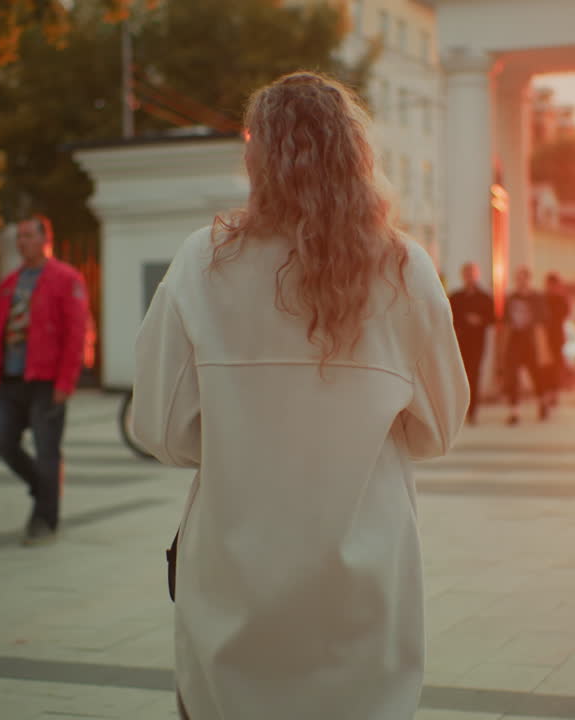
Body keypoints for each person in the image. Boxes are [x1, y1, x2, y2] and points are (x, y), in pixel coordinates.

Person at [131, 71, 468, 720]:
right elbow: (440, 427)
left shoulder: (203, 262)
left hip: (232, 593)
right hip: (365, 593)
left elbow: (160, 428)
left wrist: (237, 433)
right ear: (357, 155)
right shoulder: (404, 269)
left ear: (257, 157)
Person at [0, 214, 90, 546]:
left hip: (46, 380)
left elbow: (76, 334)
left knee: (47, 450)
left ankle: (45, 518)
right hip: (10, 379)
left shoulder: (66, 278)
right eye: (19, 237)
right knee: (0, 438)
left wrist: (66, 382)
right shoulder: (10, 282)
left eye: (28, 236)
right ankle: (42, 488)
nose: (22, 242)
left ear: (46, 239)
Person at [501, 266, 550, 425]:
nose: (521, 282)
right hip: (515, 340)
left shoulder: (537, 298)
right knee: (513, 376)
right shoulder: (511, 298)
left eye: (523, 279)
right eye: (518, 279)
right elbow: (505, 320)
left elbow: (544, 317)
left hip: (531, 341)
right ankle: (514, 411)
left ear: (528, 280)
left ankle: (542, 402)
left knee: (536, 374)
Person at [448, 261, 495, 424]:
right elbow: (449, 318)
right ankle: (459, 408)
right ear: (463, 276)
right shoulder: (455, 297)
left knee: (474, 374)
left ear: (476, 275)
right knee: (460, 375)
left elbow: (492, 319)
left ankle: (472, 410)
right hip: (460, 342)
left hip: (477, 343)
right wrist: (463, 321)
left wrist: (479, 320)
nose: (469, 277)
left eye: (472, 274)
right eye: (467, 274)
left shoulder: (485, 298)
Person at [542, 272, 571, 403]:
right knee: (546, 365)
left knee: (556, 365)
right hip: (545, 337)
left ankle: (554, 391)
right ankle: (548, 390)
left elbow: (566, 313)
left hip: (557, 337)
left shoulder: (560, 299)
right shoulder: (543, 299)